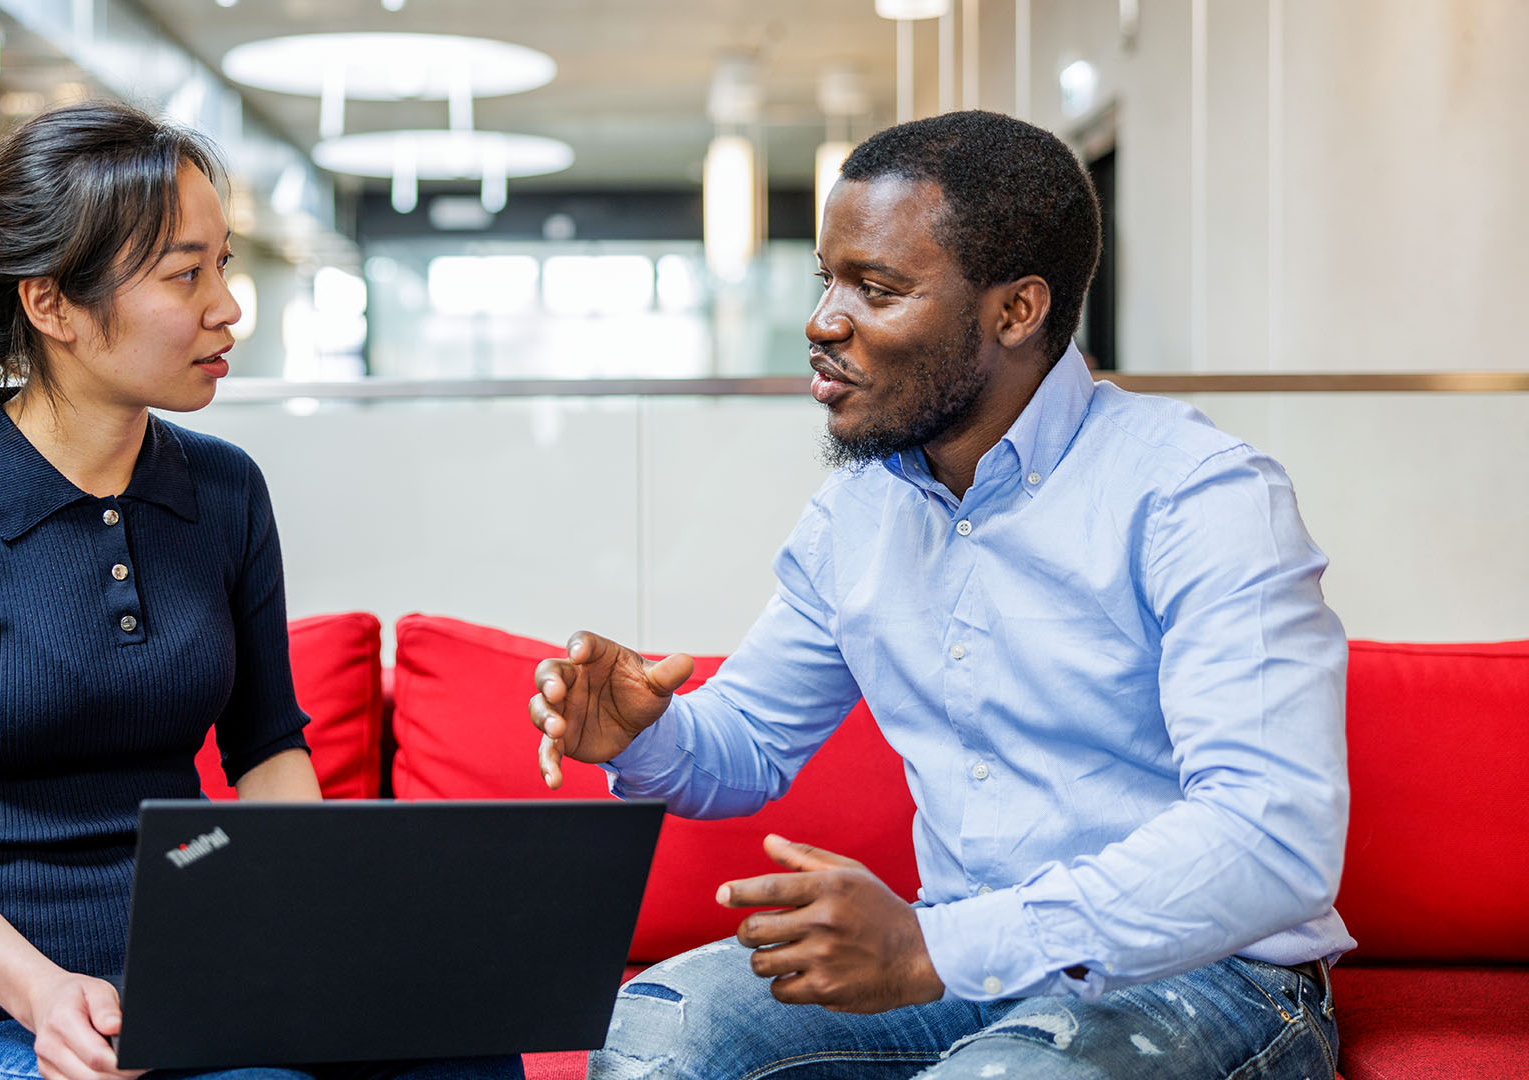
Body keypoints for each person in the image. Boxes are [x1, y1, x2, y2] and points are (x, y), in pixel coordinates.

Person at [529, 110, 1349, 1079]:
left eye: (876, 288)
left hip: (1201, 978)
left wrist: (933, 950)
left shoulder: (1200, 495)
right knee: (657, 1028)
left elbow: (1271, 840)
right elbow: (747, 745)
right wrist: (643, 733)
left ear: (1016, 311)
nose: (824, 321)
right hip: (955, 962)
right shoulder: (860, 510)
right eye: (827, 280)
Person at [0, 102, 519, 1080]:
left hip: (200, 980)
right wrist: (44, 994)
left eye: (224, 266)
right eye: (185, 274)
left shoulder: (223, 490)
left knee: (462, 1050)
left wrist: (322, 940)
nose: (227, 308)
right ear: (52, 306)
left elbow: (269, 752)